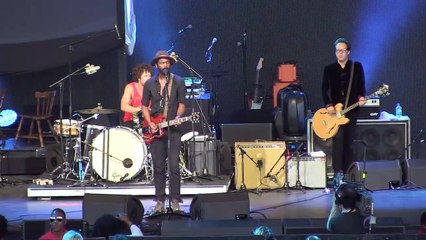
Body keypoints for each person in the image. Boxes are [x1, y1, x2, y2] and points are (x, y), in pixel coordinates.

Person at [141, 50, 186, 214]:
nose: (164, 65)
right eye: (161, 63)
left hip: (173, 130)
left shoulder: (178, 82)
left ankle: (175, 201)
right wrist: (150, 122)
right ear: (156, 65)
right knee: (158, 167)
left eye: (167, 62)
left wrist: (179, 116)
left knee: (174, 166)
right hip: (155, 130)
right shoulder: (149, 84)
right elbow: (144, 105)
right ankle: (160, 201)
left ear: (170, 64)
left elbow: (182, 103)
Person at [322, 37, 366, 173]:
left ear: (348, 52)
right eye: (337, 51)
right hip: (335, 113)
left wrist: (361, 97)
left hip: (352, 111)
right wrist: (329, 105)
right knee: (338, 143)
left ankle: (349, 174)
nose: (340, 53)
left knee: (349, 144)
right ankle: (337, 174)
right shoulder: (329, 69)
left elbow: (361, 86)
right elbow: (324, 88)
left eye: (342, 51)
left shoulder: (356, 67)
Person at [120, 63, 153, 129]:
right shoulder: (130, 87)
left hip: (147, 123)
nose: (148, 78)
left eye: (149, 76)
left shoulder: (152, 89)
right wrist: (140, 111)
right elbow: (123, 106)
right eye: (145, 76)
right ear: (138, 77)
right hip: (131, 123)